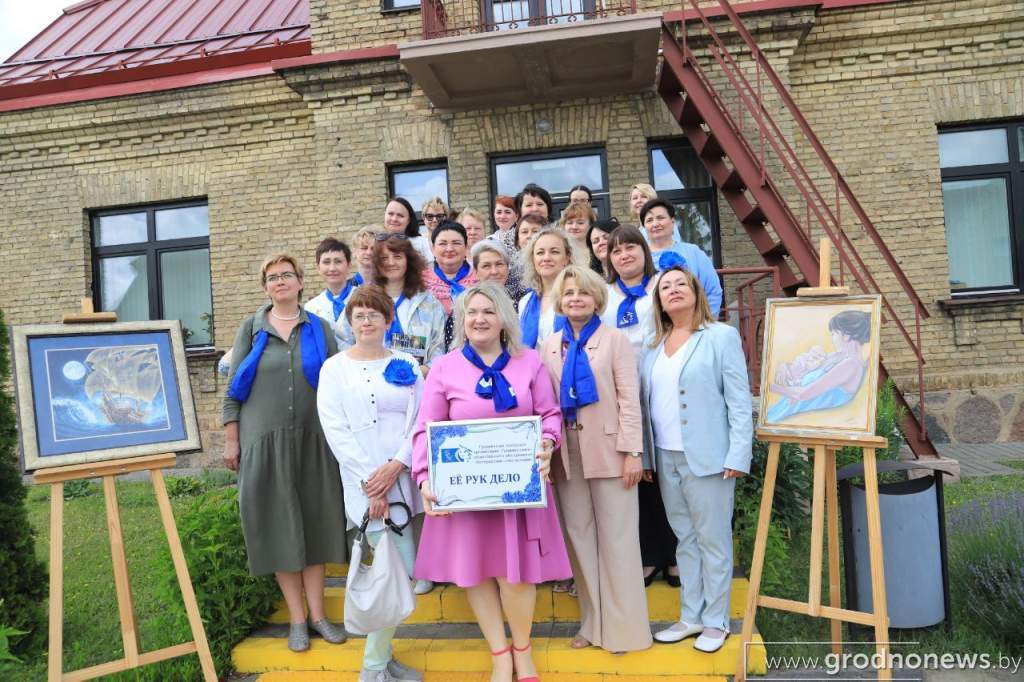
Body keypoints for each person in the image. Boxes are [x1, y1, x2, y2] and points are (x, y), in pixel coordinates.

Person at [412, 282, 571, 682]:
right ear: (462, 321)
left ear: (503, 319)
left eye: (488, 311)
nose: (479, 319)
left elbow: (550, 414)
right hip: (465, 492)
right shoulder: (445, 368)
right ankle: (499, 653)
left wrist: (548, 442)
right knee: (476, 573)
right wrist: (424, 476)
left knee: (517, 576)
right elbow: (425, 428)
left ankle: (523, 651)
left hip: (516, 489)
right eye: (471, 312)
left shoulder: (529, 361)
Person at [222, 253, 347, 653]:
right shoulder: (251, 328)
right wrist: (231, 438)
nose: (280, 282)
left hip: (314, 440)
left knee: (315, 526)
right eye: (272, 277)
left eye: (286, 275)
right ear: (265, 287)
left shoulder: (320, 328)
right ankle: (296, 619)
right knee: (278, 528)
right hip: (265, 442)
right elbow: (234, 388)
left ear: (299, 282)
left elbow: (335, 381)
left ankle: (319, 616)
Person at [640, 265, 753, 653]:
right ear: (658, 299)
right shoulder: (653, 344)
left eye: (679, 284)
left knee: (713, 540)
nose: (672, 290)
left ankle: (716, 621)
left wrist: (739, 452)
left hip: (709, 458)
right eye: (665, 286)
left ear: (695, 291)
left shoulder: (720, 337)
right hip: (666, 456)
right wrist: (647, 457)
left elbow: (739, 401)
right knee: (684, 539)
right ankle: (691, 615)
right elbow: (645, 405)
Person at [539, 266, 652, 653]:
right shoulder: (550, 345)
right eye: (568, 293)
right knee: (580, 541)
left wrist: (633, 452)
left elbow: (628, 401)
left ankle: (624, 630)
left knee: (618, 542)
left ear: (596, 298)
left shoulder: (615, 340)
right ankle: (592, 623)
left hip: (612, 452)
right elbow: (546, 404)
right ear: (560, 299)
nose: (575, 299)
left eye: (583, 293)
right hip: (566, 457)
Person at [317, 285, 424, 682]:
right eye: (359, 314)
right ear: (350, 321)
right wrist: (372, 483)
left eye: (373, 314)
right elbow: (336, 430)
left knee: (401, 571)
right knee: (389, 571)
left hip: (402, 480)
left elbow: (419, 421)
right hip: (364, 487)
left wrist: (397, 465)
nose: (366, 320)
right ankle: (373, 668)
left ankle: (383, 654)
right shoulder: (335, 369)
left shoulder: (407, 365)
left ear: (387, 320)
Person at [601, 226, 679, 588]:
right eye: (616, 251)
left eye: (631, 247)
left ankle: (676, 554)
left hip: (661, 386)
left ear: (644, 251)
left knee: (668, 470)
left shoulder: (661, 285)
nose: (624, 255)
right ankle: (650, 553)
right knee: (639, 474)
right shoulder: (605, 295)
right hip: (622, 394)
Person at [336, 234, 445, 376]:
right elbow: (342, 339)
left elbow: (439, 347)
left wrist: (419, 373)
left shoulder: (429, 303)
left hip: (418, 384)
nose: (391, 262)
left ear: (409, 261)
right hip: (370, 384)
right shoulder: (361, 299)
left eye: (397, 257)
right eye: (384, 258)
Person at [766, 311, 872, 421]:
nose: (832, 339)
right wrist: (784, 368)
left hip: (793, 418)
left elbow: (802, 394)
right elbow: (803, 369)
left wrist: (769, 387)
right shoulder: (841, 358)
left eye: (834, 334)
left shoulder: (851, 365)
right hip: (790, 411)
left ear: (845, 335)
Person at [640, 198, 723, 316]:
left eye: (660, 218)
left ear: (672, 221)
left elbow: (713, 291)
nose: (655, 224)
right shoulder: (639, 258)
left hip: (693, 327)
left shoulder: (693, 252)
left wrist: (703, 325)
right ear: (644, 227)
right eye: (649, 220)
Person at [519, 226, 582, 349]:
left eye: (554, 252)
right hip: (533, 367)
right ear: (533, 258)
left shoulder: (580, 296)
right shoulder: (525, 302)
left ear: (567, 257)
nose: (546, 258)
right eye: (540, 252)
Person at [422, 220, 479, 351]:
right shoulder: (420, 280)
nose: (449, 249)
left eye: (456, 243)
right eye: (442, 243)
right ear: (433, 249)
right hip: (431, 348)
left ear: (466, 247)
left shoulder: (480, 275)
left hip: (473, 347)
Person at [305, 237, 359, 328]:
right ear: (318, 268)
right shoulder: (311, 308)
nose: (332, 268)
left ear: (349, 265)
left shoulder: (365, 299)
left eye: (338, 261)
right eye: (326, 262)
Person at [385, 196, 433, 264]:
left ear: (408, 220)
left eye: (400, 215)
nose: (394, 219)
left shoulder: (422, 243)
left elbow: (431, 270)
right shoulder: (377, 244)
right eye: (390, 214)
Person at [471, 239, 522, 303]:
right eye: (486, 266)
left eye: (499, 264)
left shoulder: (523, 300)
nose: (494, 272)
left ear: (508, 268)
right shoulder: (468, 303)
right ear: (476, 272)